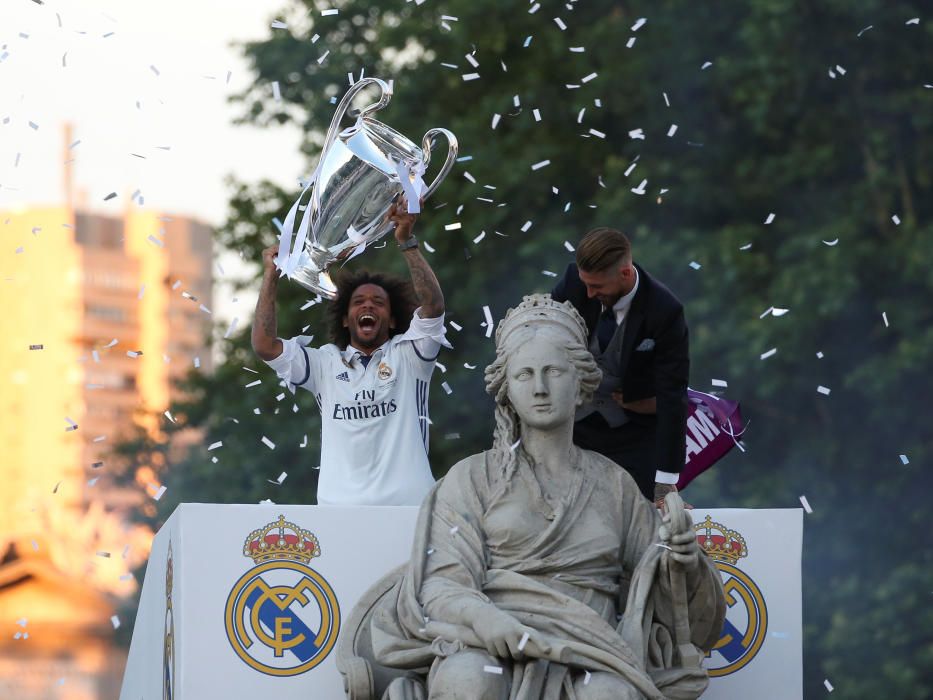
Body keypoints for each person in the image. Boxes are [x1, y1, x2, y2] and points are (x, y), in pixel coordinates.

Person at [343, 295, 724, 700]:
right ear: (507, 390)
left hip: (591, 652)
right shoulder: (472, 478)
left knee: (608, 694)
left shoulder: (616, 485)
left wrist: (682, 560)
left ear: (580, 385)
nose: (540, 388)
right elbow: (441, 587)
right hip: (489, 641)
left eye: (554, 372)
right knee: (471, 677)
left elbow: (665, 598)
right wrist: (487, 621)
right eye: (525, 375)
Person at [251, 199, 449, 506]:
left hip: (410, 512)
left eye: (378, 303)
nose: (368, 305)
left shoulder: (410, 354)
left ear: (393, 319)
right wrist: (271, 277)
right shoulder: (324, 363)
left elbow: (434, 307)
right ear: (346, 318)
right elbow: (265, 345)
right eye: (358, 302)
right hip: (339, 515)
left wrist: (406, 241)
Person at [552, 228, 689, 506]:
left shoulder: (665, 310)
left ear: (625, 274)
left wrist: (665, 481)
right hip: (568, 429)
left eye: (598, 287)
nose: (589, 294)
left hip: (632, 435)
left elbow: (673, 395)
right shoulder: (574, 283)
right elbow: (543, 336)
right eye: (585, 284)